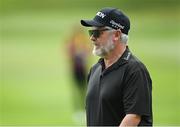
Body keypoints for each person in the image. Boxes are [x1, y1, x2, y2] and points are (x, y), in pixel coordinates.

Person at [80, 7, 153, 126]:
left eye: (97, 33)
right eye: (91, 32)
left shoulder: (135, 70)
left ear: (116, 35)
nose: (92, 38)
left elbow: (133, 118)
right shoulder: (95, 70)